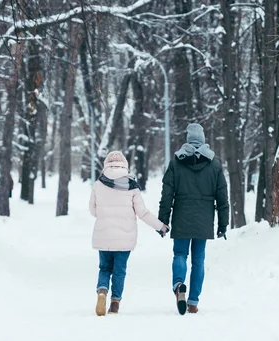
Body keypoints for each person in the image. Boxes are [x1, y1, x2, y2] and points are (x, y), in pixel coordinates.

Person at [158, 123, 229, 315]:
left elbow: (167, 194)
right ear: (204, 139)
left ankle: (179, 284)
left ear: (188, 138)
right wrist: (223, 224)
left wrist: (163, 220)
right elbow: (222, 196)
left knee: (180, 254)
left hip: (182, 215)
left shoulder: (176, 162)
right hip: (204, 219)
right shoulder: (214, 164)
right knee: (198, 260)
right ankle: (193, 302)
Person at [90, 151, 168, 316]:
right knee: (119, 270)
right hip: (125, 238)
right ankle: (115, 303)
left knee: (104, 268)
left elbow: (92, 210)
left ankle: (102, 291)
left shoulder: (98, 184)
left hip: (103, 235)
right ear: (124, 165)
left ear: (106, 164)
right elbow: (143, 213)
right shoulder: (131, 185)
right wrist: (160, 226)